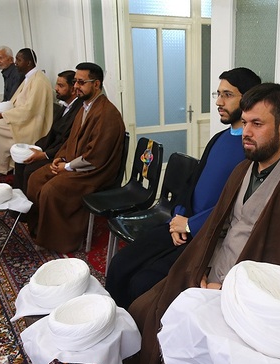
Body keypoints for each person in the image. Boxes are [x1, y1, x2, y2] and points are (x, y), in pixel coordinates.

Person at [122, 83, 280, 364]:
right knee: (143, 309)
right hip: (209, 273)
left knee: (178, 343)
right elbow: (216, 228)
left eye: (257, 124)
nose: (247, 132)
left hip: (246, 297)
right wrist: (200, 269)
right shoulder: (244, 169)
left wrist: (230, 291)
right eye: (245, 122)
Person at [105, 67, 261, 309]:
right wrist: (179, 215)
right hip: (181, 223)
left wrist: (190, 224)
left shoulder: (251, 150)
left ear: (248, 99)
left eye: (227, 95)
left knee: (142, 282)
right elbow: (192, 183)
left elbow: (234, 208)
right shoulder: (218, 139)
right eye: (218, 94)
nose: (219, 102)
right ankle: (113, 320)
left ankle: (135, 329)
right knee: (121, 263)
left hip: (206, 235)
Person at [26, 62, 125, 254]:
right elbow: (71, 140)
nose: (76, 86)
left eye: (81, 82)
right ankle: (41, 230)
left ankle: (64, 240)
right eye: (75, 82)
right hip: (74, 164)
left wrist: (66, 167)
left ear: (96, 84)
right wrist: (59, 159)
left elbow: (96, 157)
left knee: (51, 190)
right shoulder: (85, 107)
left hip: (95, 172)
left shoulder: (107, 114)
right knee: (35, 179)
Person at [0, 48, 52, 179]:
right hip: (18, 116)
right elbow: (14, 102)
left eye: (19, 60)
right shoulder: (28, 78)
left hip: (29, 123)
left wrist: (2, 115)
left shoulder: (39, 81)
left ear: (28, 62)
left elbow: (30, 110)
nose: (16, 63)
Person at [13, 70, 84, 192]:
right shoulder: (65, 106)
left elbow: (68, 142)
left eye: (60, 86)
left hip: (60, 155)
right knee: (20, 160)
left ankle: (30, 201)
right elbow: (52, 133)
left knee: (30, 169)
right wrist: (36, 148)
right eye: (57, 84)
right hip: (51, 149)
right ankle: (19, 197)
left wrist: (44, 155)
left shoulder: (79, 110)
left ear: (73, 89)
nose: (56, 88)